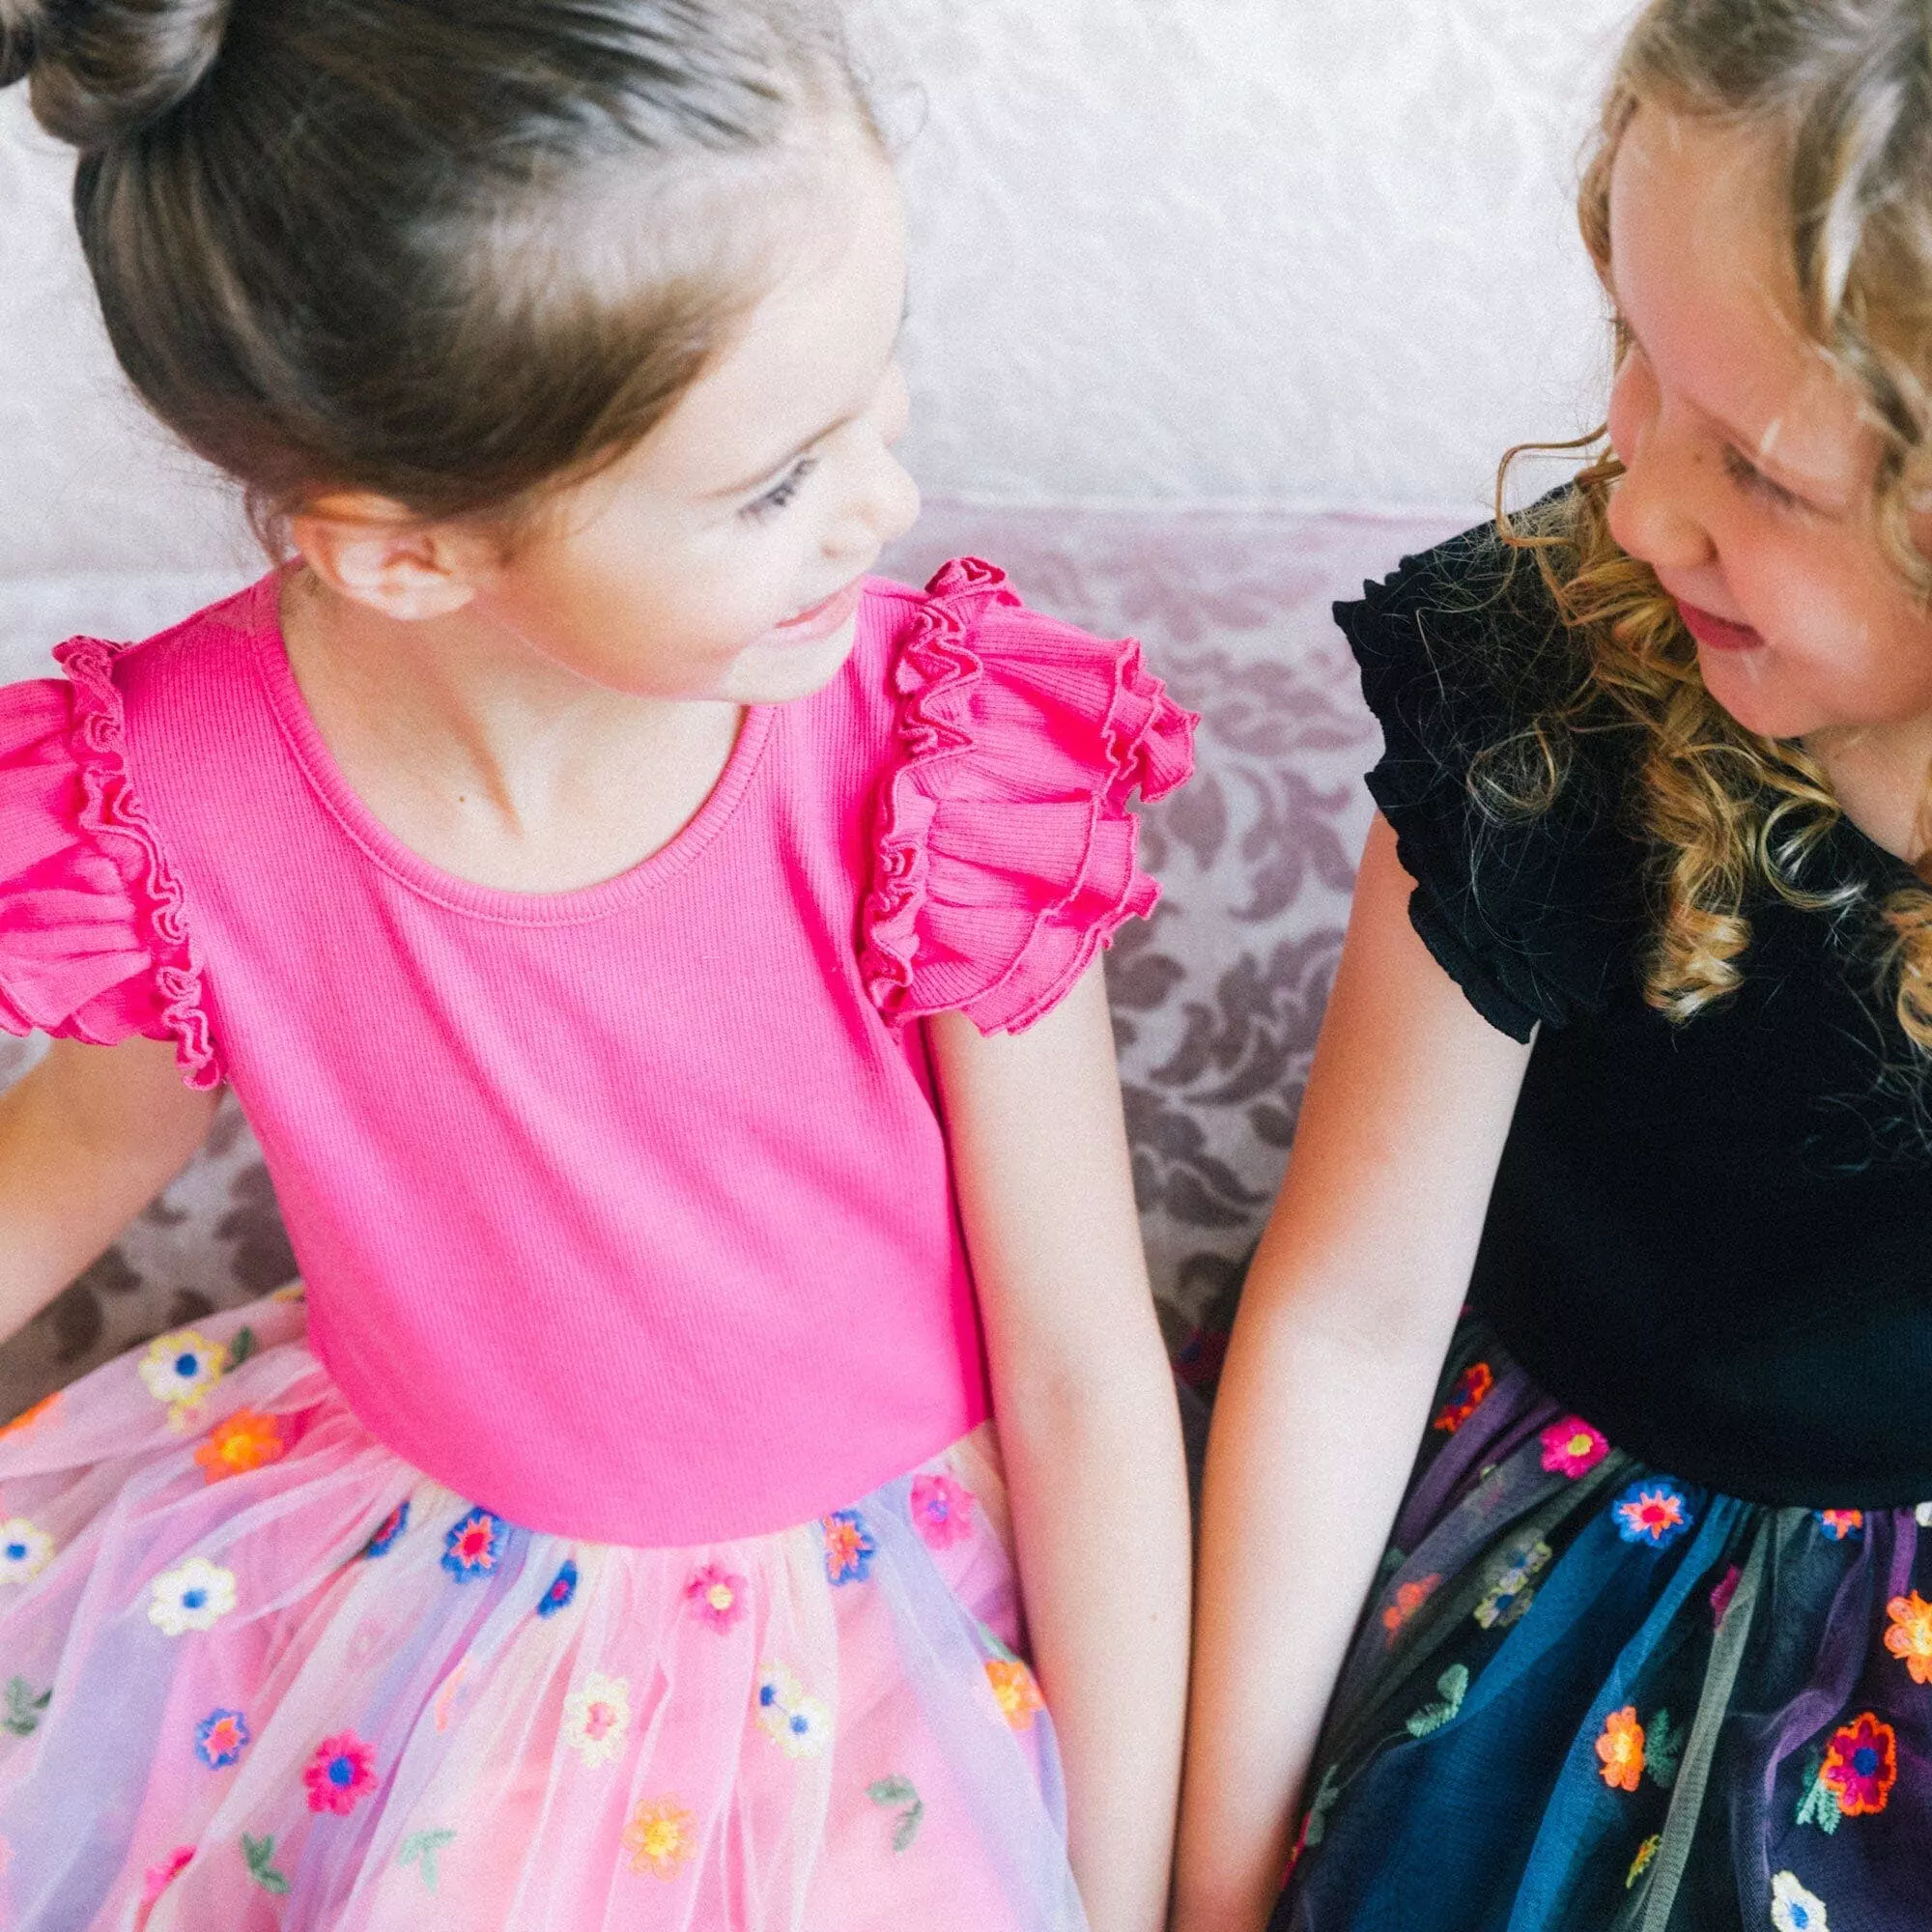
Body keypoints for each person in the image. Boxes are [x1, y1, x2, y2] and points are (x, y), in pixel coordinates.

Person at [0, 3, 1194, 1925]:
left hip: (878, 1662)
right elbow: (56, 1166)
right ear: (400, 552)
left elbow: (1080, 1371)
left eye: (872, 406)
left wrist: (1134, 1892)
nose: (880, 506)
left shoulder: (945, 752)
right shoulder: (179, 798)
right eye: (775, 484)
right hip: (415, 1646)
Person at [1178, 2, 1932, 1927]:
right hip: (1549, 1578)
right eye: (1628, 356)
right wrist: (1204, 1888)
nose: (1632, 500)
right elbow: (1348, 1310)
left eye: (1757, 469)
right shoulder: (1560, 665)